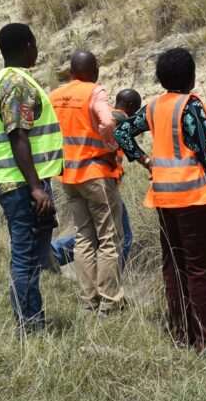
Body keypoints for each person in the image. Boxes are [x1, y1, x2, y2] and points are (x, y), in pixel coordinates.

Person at [114, 48, 206, 359]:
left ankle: (183, 333)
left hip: (165, 199)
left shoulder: (155, 107)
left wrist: (145, 161)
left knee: (174, 268)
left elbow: (121, 132)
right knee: (200, 271)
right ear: (192, 76)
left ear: (161, 79)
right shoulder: (191, 107)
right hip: (197, 201)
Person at [0, 23, 63, 333]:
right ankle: (30, 326)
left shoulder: (5, 80)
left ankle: (28, 321)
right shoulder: (16, 83)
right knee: (26, 257)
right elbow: (19, 136)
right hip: (21, 186)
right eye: (35, 44)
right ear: (28, 46)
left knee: (31, 254)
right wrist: (35, 187)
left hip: (20, 183)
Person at [49, 50, 125, 316]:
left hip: (68, 176)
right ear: (95, 71)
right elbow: (107, 120)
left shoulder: (55, 96)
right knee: (108, 238)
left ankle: (88, 301)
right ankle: (109, 302)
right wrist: (110, 145)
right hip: (96, 174)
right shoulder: (94, 92)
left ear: (71, 72)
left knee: (83, 237)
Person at [51, 88, 140, 268]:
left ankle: (54, 253)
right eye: (136, 109)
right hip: (102, 183)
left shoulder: (101, 117)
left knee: (89, 234)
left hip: (79, 180)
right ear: (131, 107)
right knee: (122, 238)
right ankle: (112, 282)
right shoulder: (119, 119)